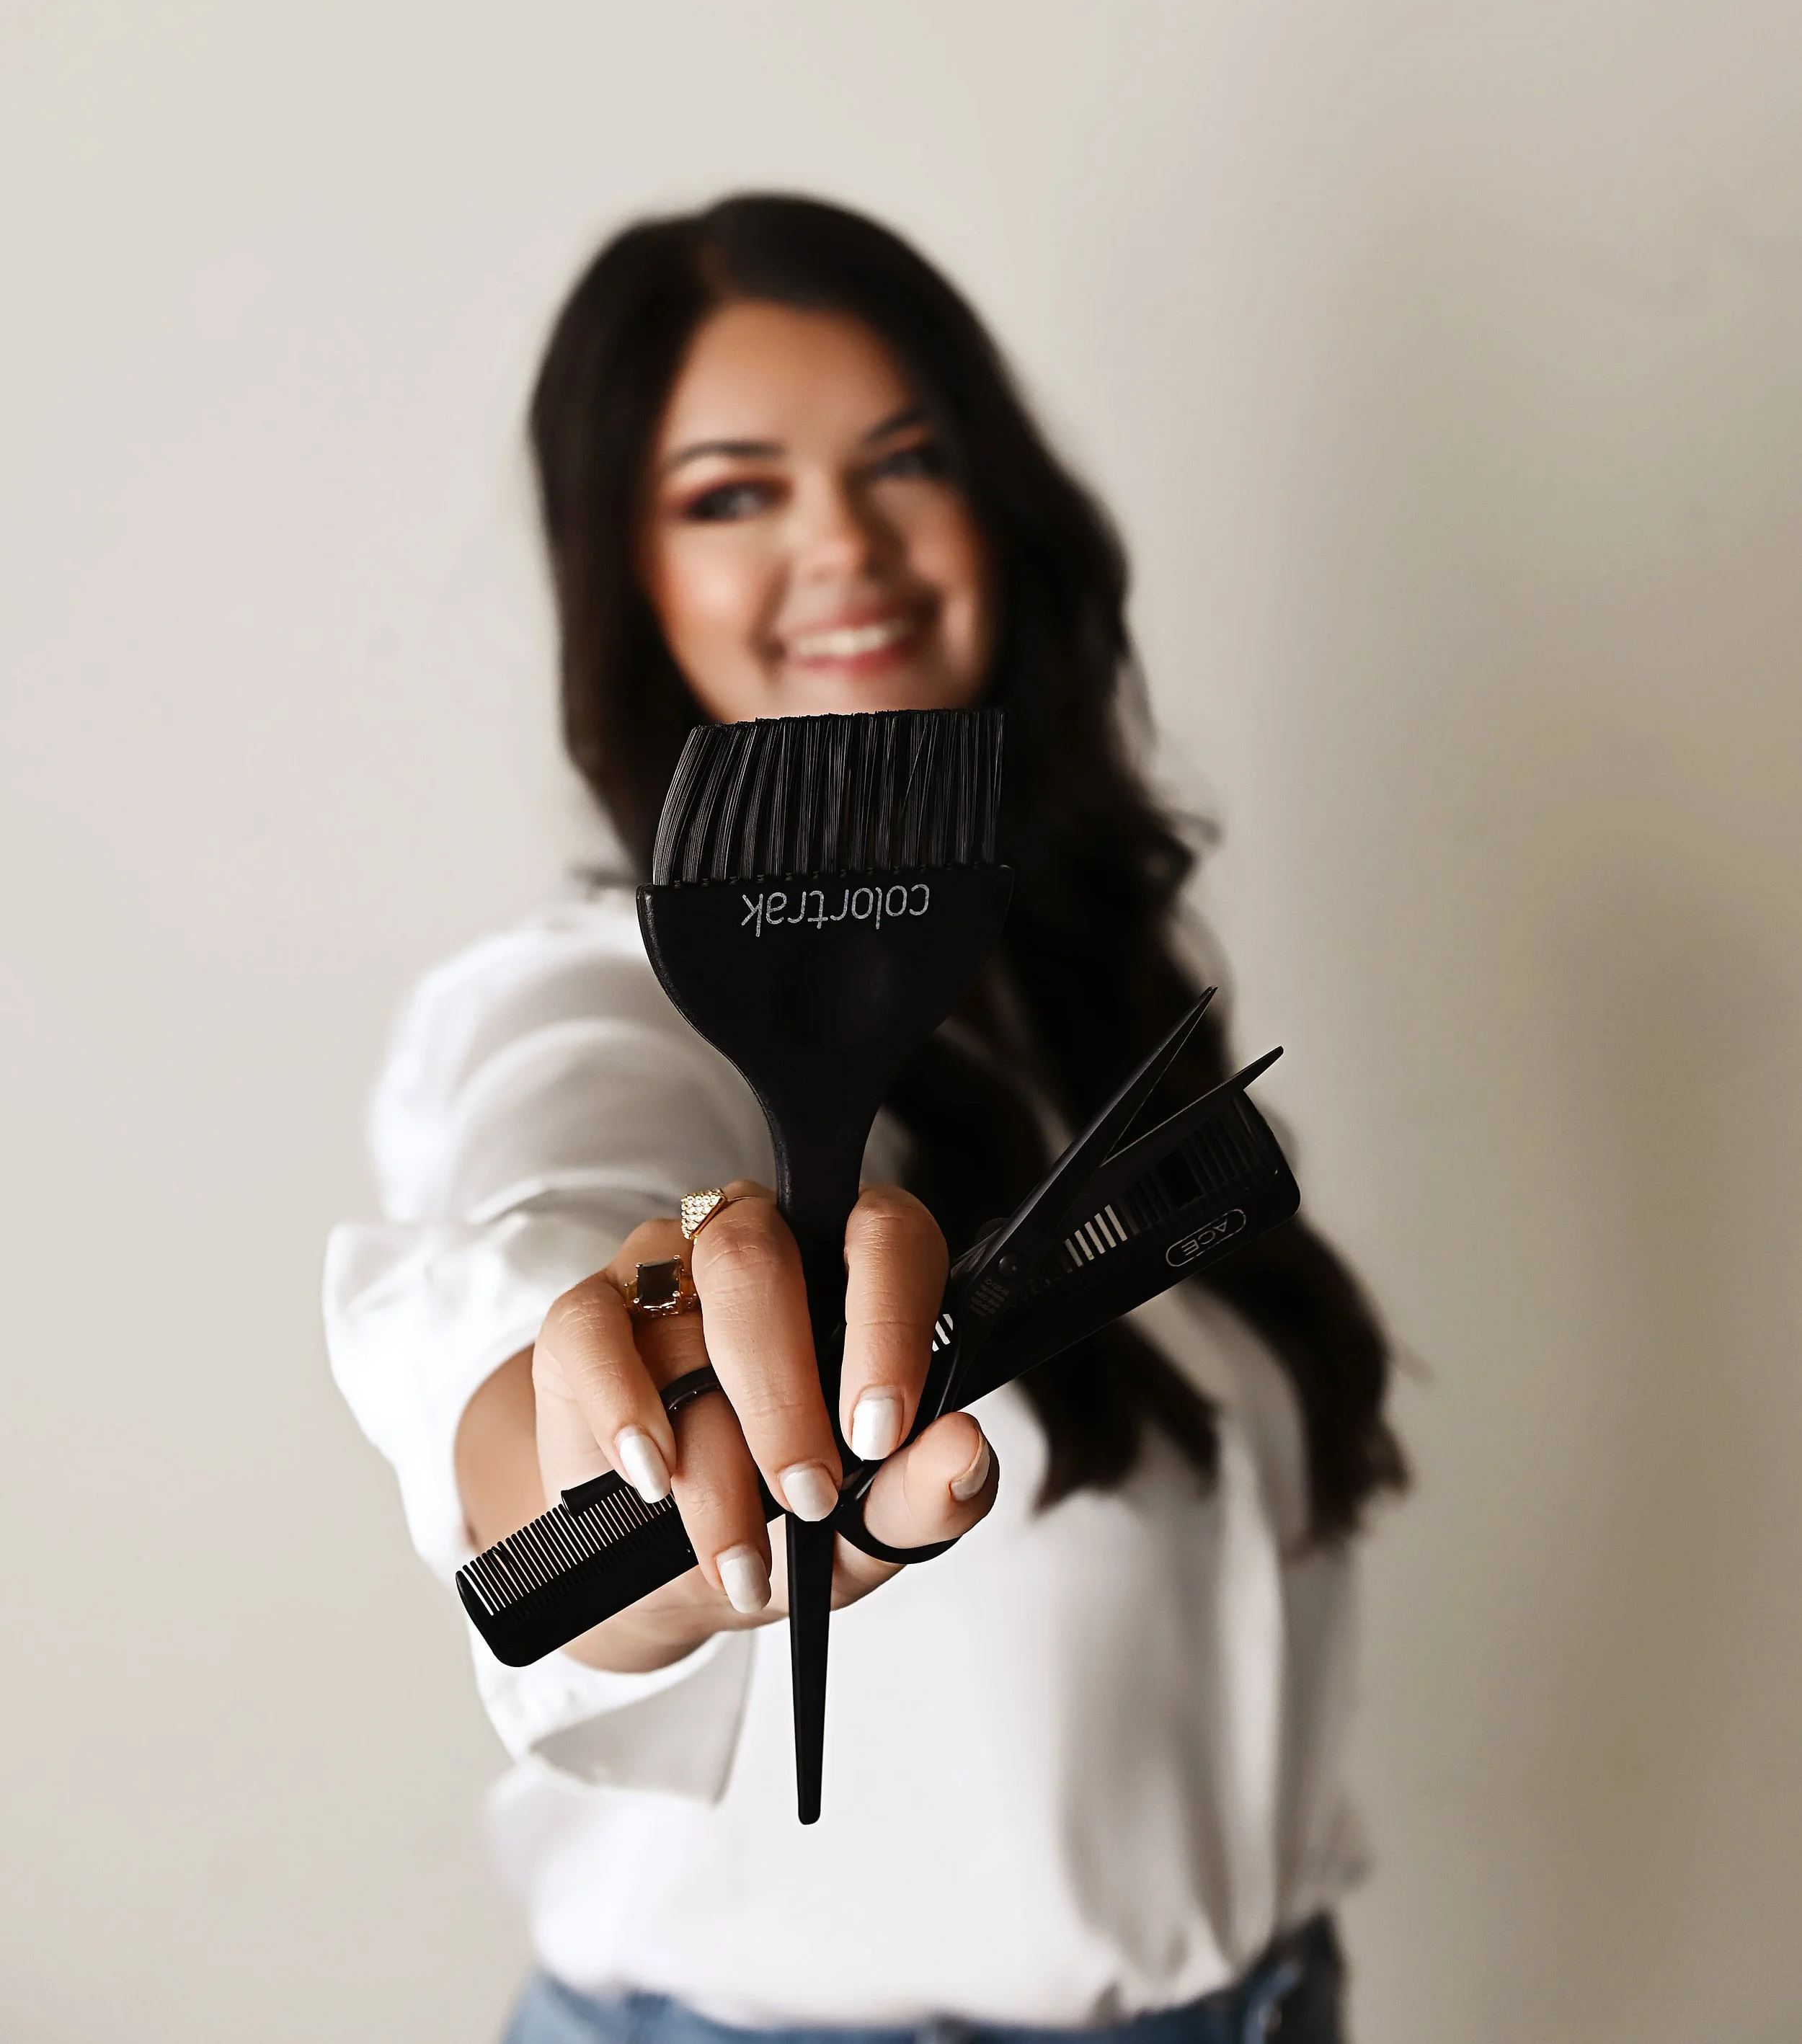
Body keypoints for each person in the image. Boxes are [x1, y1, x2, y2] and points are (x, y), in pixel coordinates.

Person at [325, 193, 1406, 2044]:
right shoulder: (595, 1003)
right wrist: (600, 1396)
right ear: (630, 580)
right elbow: (535, 1263)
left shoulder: (1064, 1002)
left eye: (905, 464)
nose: (843, 545)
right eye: (729, 494)